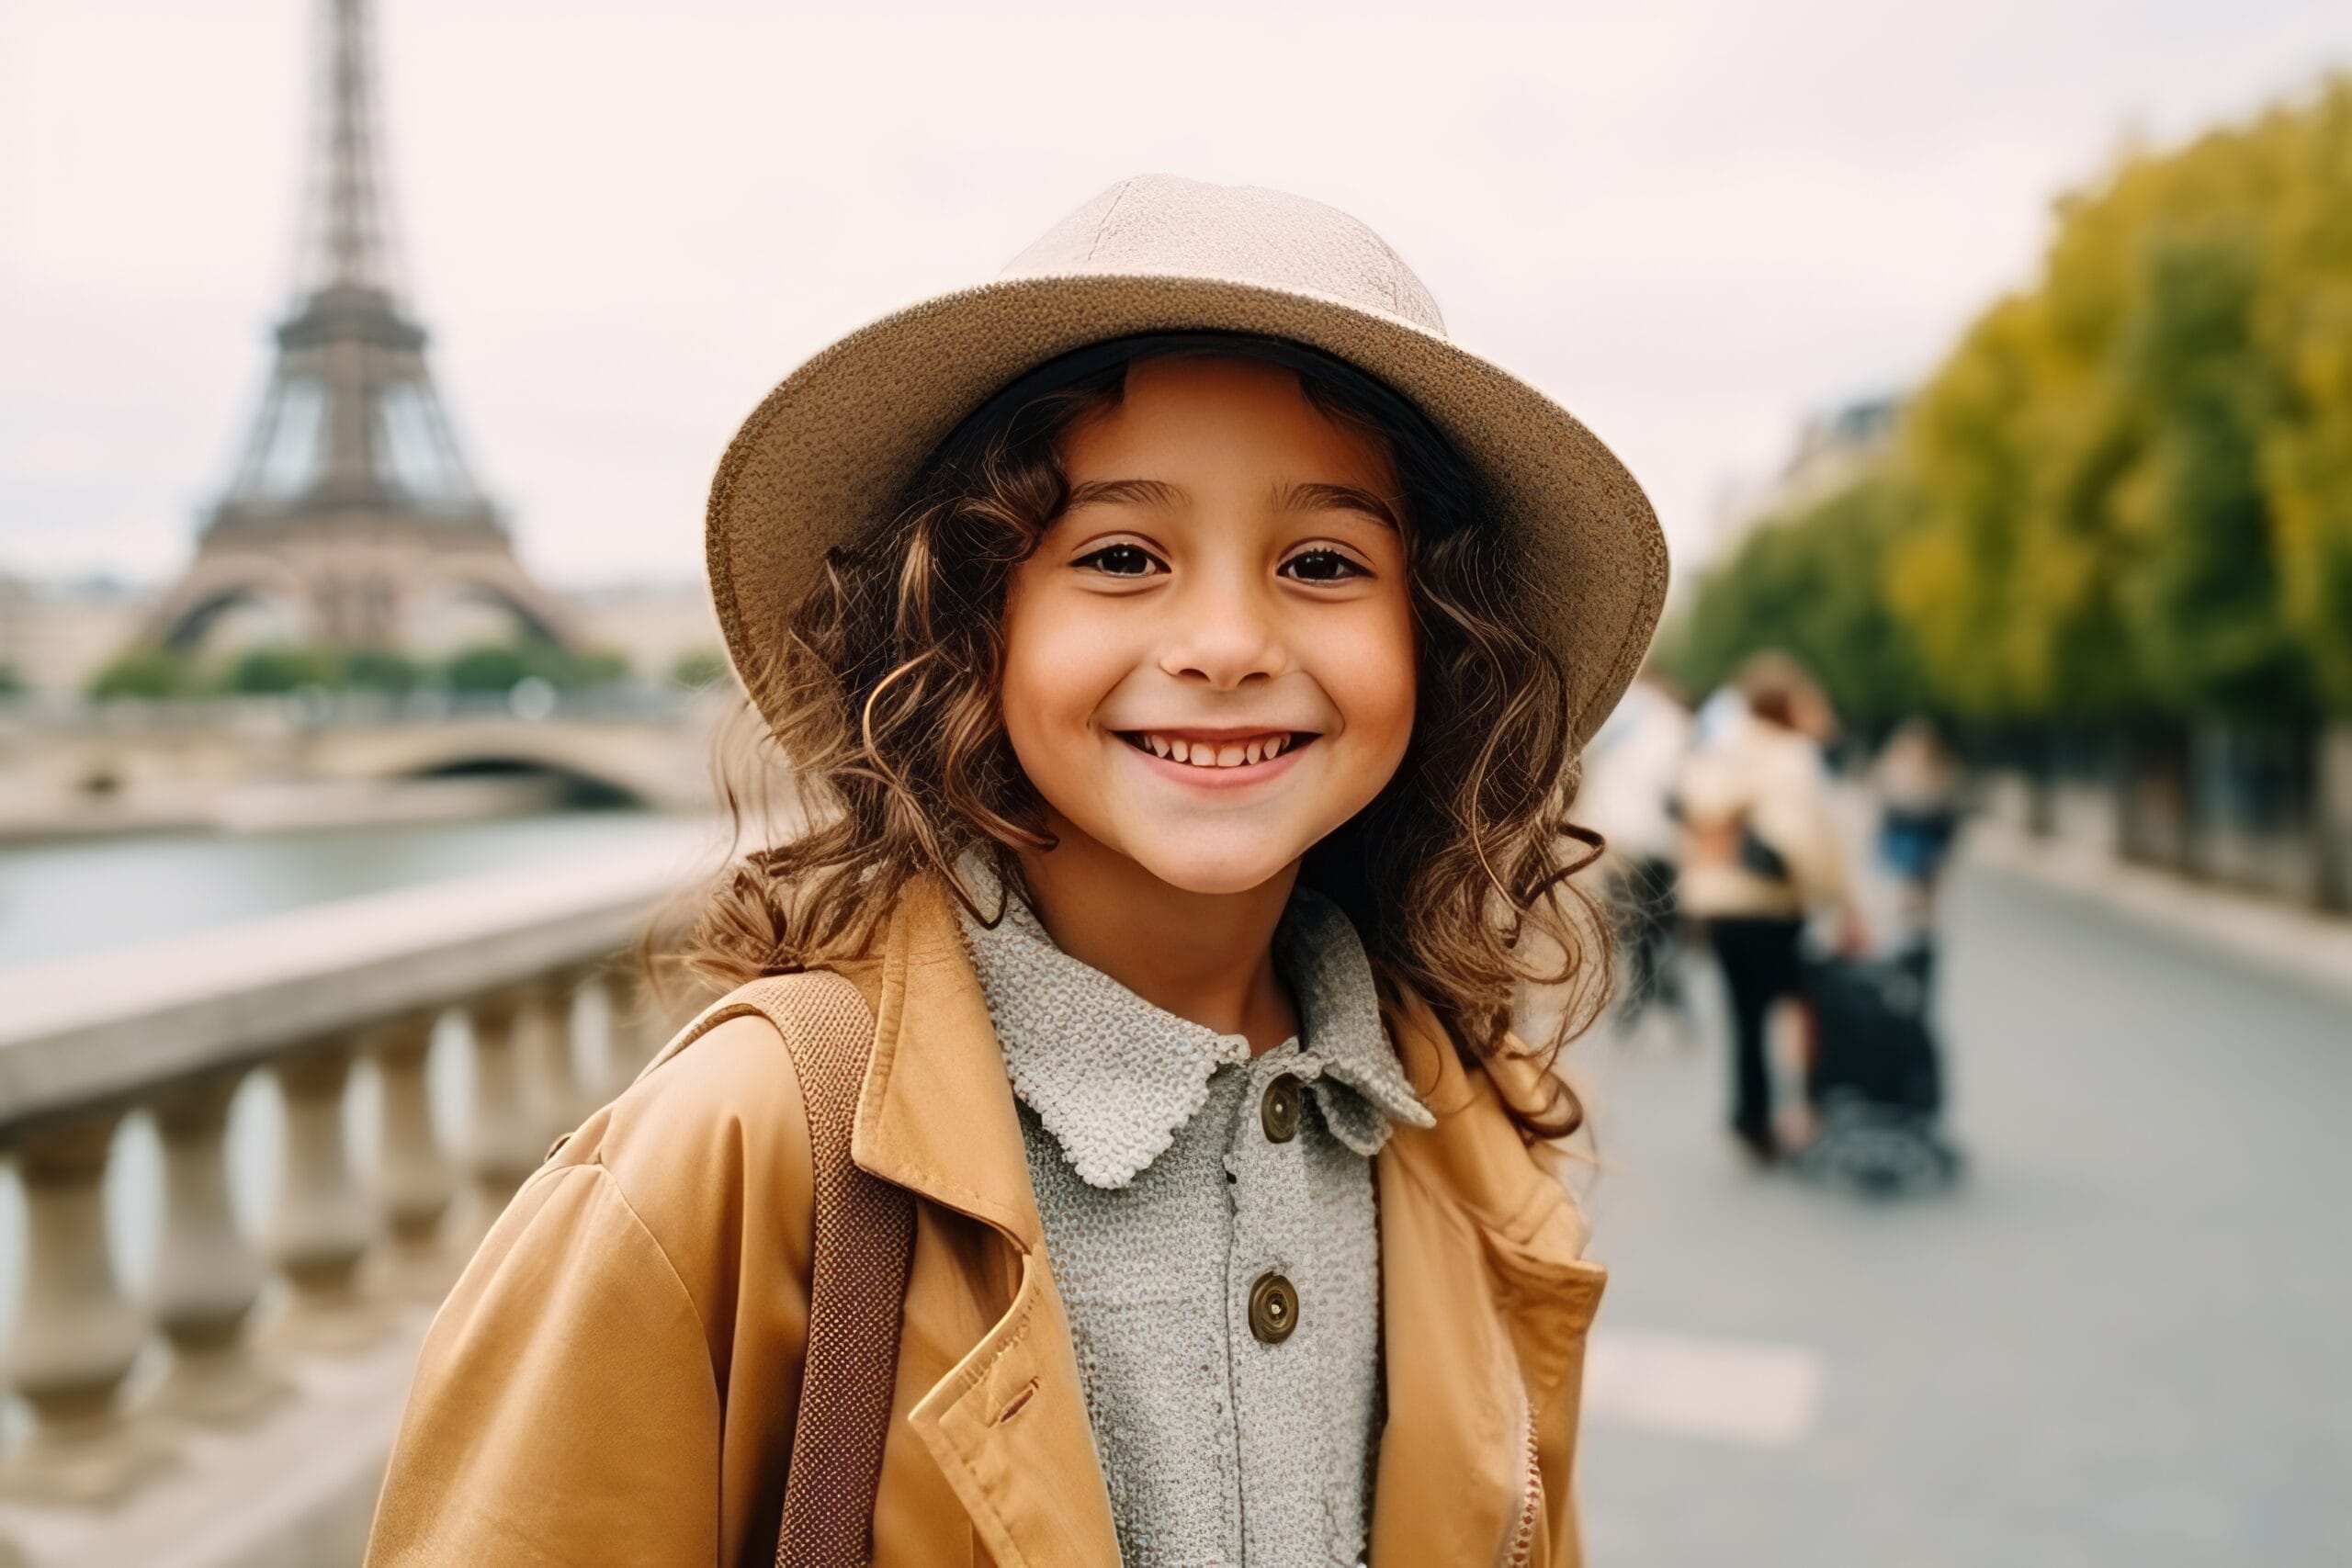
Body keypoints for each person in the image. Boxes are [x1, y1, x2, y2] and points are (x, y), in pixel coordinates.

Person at [363, 177, 1667, 1566]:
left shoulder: (1455, 1136)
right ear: (970, 621)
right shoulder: (737, 1151)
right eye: (1120, 554)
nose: (1225, 641)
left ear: (1435, 641)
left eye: (1324, 560)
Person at [1675, 653, 1851, 1164]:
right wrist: (1833, 896)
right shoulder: (1791, 755)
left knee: (1744, 1016)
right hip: (1772, 906)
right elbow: (1805, 838)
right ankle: (1814, 1106)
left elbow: (1690, 815)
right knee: (1809, 1001)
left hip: (1717, 905)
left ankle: (1751, 1121)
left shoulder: (1718, 750)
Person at [1577, 670, 1694, 1035]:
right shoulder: (1672, 720)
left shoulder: (1612, 710)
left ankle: (1632, 998)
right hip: (1652, 836)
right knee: (1651, 921)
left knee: (1620, 921)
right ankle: (1649, 995)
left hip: (1606, 831)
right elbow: (1680, 784)